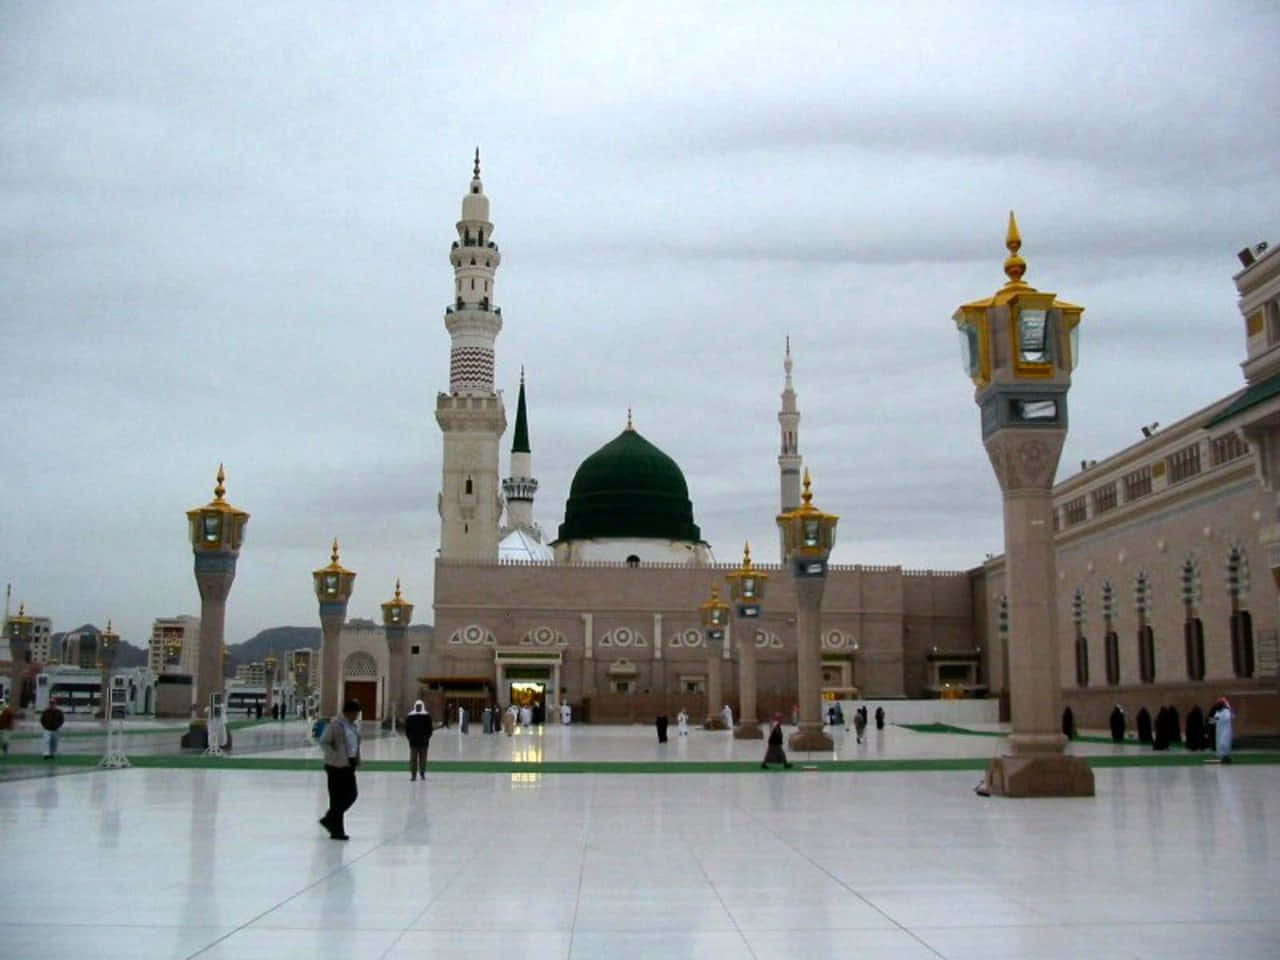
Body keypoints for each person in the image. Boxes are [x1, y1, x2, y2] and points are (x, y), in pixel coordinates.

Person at [318, 699, 362, 840]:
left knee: (351, 795)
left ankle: (329, 819)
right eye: (355, 712)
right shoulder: (336, 724)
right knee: (337, 799)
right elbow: (324, 741)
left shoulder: (352, 726)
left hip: (349, 765)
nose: (357, 715)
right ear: (349, 712)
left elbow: (354, 743)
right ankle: (337, 831)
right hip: (335, 766)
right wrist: (335, 756)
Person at [404, 699, 433, 781]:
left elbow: (430, 729)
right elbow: (407, 729)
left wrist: (427, 737)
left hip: (424, 743)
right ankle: (413, 775)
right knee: (413, 759)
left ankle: (422, 773)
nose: (418, 707)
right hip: (413, 742)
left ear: (422, 706)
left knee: (423, 759)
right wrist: (409, 737)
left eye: (420, 706)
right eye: (417, 706)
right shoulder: (410, 716)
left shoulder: (427, 717)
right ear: (415, 706)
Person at [1209, 697, 1234, 763]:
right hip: (1220, 732)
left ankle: (1226, 758)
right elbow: (1213, 721)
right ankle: (1223, 758)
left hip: (1225, 732)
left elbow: (1230, 717)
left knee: (1224, 744)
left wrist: (1228, 707)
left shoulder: (1226, 712)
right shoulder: (1218, 712)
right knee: (1220, 745)